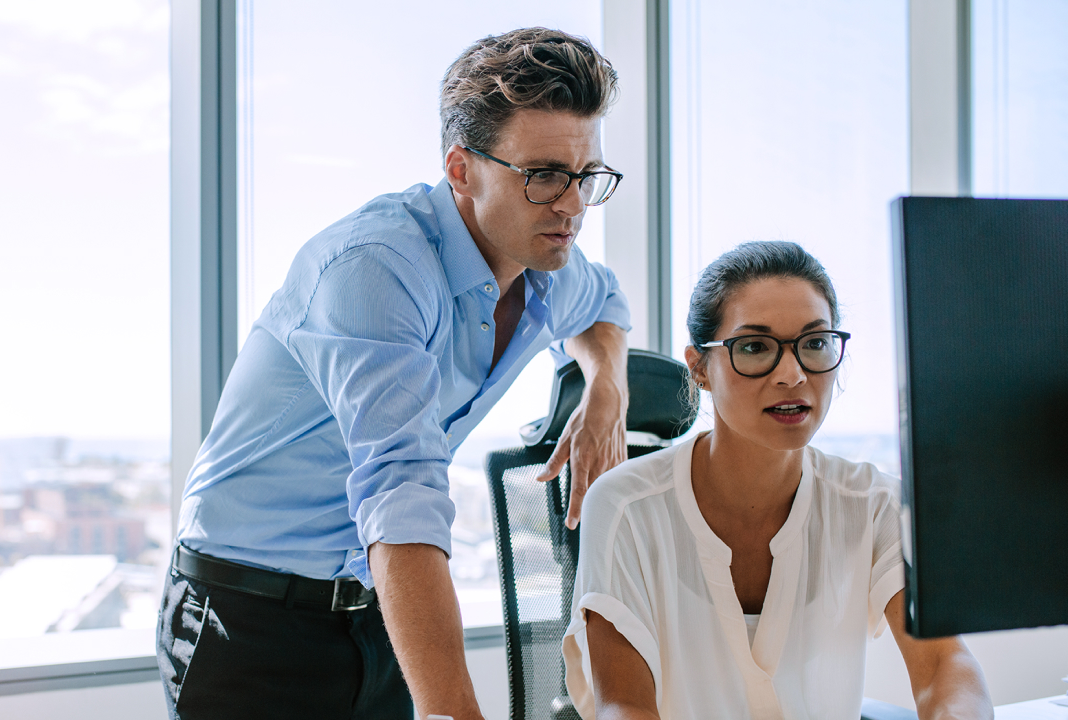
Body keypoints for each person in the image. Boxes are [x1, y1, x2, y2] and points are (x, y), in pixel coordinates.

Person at [157, 28, 633, 720]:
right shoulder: (376, 268)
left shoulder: (547, 265)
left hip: (376, 610)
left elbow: (606, 307)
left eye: (586, 176)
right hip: (247, 612)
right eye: (544, 176)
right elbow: (402, 494)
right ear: (462, 170)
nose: (573, 206)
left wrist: (605, 390)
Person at [562, 241, 993, 720]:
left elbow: (943, 666)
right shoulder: (624, 506)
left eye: (814, 344)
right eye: (754, 347)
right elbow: (624, 705)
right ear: (700, 366)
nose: (792, 375)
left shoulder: (874, 504)